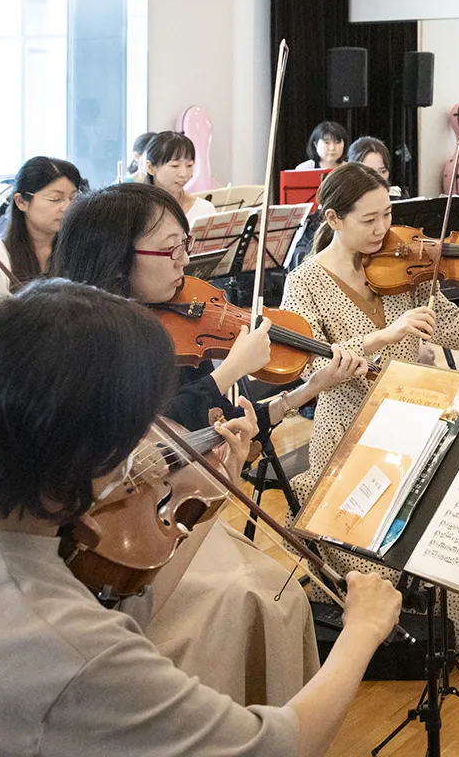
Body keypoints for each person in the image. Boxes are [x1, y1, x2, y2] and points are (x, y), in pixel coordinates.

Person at [0, 281, 404, 757]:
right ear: (84, 448)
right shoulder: (66, 647)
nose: (144, 449)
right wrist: (362, 628)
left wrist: (212, 491)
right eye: (136, 429)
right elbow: (278, 745)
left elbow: (122, 616)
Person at [51, 183, 366, 704]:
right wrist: (229, 374)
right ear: (113, 256)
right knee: (249, 595)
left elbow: (210, 429)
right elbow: (146, 438)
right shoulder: (83, 342)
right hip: (119, 522)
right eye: (170, 249)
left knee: (281, 592)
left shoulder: (154, 330)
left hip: (165, 503)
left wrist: (307, 389)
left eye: (186, 246)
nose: (185, 264)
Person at [280, 162, 459, 650]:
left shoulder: (405, 264)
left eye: (387, 214)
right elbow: (310, 373)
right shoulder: (305, 283)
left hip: (415, 422)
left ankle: (447, 613)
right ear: (333, 219)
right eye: (369, 219)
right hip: (349, 438)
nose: (383, 230)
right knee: (381, 575)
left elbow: (452, 329)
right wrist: (388, 334)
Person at [0, 156, 86, 302]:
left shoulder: (80, 251)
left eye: (73, 198)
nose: (67, 207)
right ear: (21, 202)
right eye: (55, 199)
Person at [142, 131, 216, 220]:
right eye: (175, 166)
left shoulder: (204, 209)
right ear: (150, 168)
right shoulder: (137, 211)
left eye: (189, 165)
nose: (184, 174)